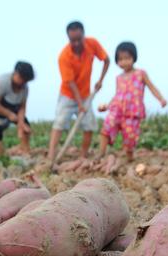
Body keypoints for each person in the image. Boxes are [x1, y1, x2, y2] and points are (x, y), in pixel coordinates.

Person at [47, 21, 110, 160]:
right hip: (68, 95)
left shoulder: (92, 44)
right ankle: (51, 157)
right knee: (59, 123)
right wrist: (80, 103)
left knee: (89, 126)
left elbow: (106, 60)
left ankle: (83, 155)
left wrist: (100, 80)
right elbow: (70, 82)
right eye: (72, 40)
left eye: (79, 39)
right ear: (68, 38)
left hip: (86, 94)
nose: (76, 43)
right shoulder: (64, 56)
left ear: (84, 35)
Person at [97, 41, 167, 161]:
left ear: (134, 58)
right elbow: (117, 95)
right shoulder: (119, 78)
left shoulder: (141, 74)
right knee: (107, 126)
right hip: (117, 109)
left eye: (127, 58)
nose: (124, 62)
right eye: (120, 59)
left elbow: (151, 87)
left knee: (130, 138)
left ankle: (129, 157)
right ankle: (100, 154)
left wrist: (161, 99)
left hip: (132, 112)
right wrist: (107, 106)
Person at [0, 61, 35, 156]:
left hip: (12, 104)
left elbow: (22, 106)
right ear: (16, 74)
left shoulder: (24, 87)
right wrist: (9, 114)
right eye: (22, 79)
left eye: (26, 81)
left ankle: (26, 150)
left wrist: (21, 123)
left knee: (26, 126)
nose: (24, 83)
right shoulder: (2, 82)